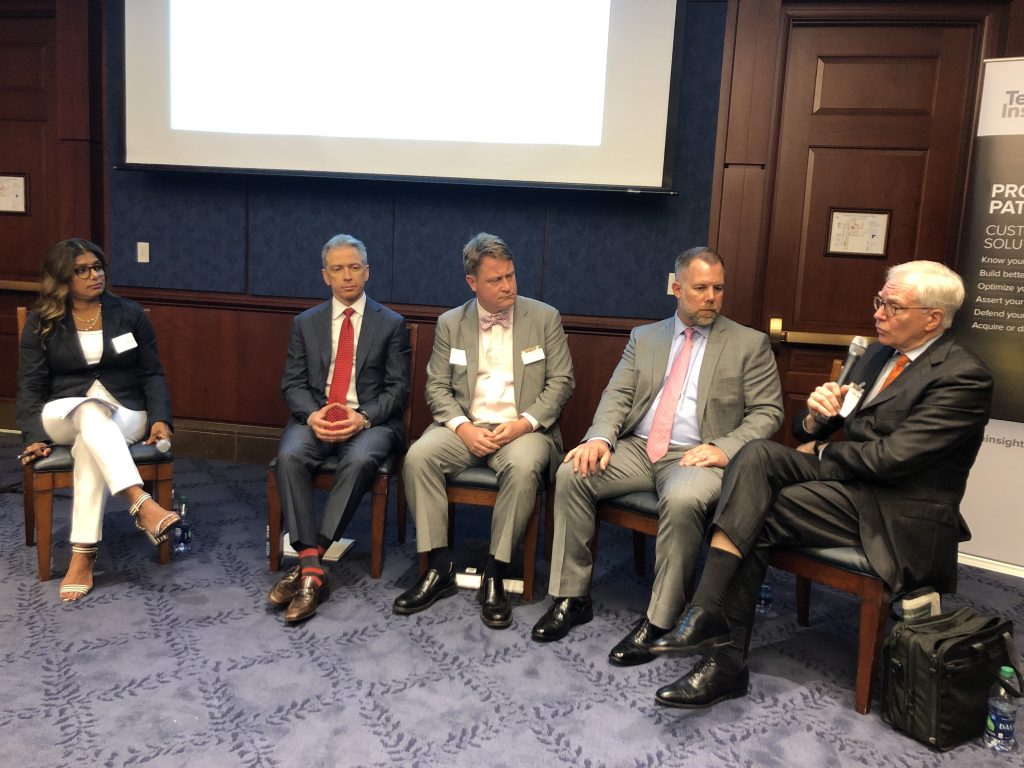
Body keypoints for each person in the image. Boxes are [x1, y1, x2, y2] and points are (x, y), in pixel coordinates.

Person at [648, 260, 994, 709]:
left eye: (893, 306)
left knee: (754, 508)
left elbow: (893, 461)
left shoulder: (962, 376)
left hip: (899, 510)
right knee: (754, 456)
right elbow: (806, 431)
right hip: (849, 489)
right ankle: (708, 616)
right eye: (879, 301)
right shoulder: (876, 355)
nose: (878, 313)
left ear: (932, 318)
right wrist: (815, 416)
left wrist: (825, 452)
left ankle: (721, 653)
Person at [532, 247, 784, 665]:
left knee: (684, 501)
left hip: (697, 455)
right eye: (700, 288)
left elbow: (768, 412)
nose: (711, 298)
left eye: (718, 289)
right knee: (573, 472)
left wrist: (723, 449)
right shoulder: (644, 337)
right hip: (638, 448)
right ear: (676, 287)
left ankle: (661, 619)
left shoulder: (748, 343)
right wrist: (599, 438)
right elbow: (618, 394)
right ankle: (571, 596)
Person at [393, 232, 574, 629]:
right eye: (496, 280)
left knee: (525, 466)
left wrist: (522, 424)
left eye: (511, 275)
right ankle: (438, 567)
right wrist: (462, 427)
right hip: (466, 427)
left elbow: (561, 382)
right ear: (472, 283)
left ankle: (497, 569)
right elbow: (436, 387)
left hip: (524, 430)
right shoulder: (450, 323)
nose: (508, 285)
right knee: (419, 457)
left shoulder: (544, 317)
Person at [17, 238, 179, 602]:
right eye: (83, 270)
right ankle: (140, 500)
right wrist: (32, 434)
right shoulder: (43, 321)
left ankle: (83, 554)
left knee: (92, 436)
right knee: (89, 409)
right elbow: (29, 384)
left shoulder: (129, 313)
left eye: (98, 267)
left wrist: (160, 418)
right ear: (62, 277)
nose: (95, 275)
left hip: (125, 412)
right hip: (64, 412)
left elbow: (152, 373)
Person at [268, 234, 410, 624]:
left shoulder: (392, 324)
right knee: (290, 455)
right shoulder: (305, 323)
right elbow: (292, 384)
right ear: (325, 276)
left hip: (371, 421)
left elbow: (398, 391)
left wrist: (362, 417)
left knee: (362, 457)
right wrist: (312, 415)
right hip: (316, 417)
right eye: (338, 269)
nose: (347, 276)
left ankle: (308, 558)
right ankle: (313, 569)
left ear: (367, 272)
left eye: (354, 268)